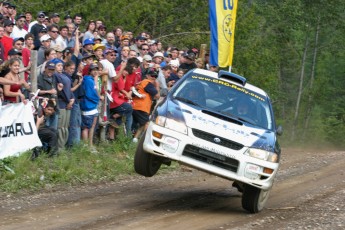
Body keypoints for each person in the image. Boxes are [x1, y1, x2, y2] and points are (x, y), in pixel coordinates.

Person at [132, 68, 160, 142]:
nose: (153, 77)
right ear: (147, 75)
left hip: (136, 105)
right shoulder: (147, 82)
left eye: (155, 76)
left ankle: (132, 138)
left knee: (135, 124)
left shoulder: (143, 82)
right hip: (141, 107)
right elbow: (157, 96)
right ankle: (140, 140)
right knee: (145, 123)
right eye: (152, 75)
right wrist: (157, 86)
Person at [80, 63, 100, 150]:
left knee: (92, 125)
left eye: (96, 70)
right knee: (86, 127)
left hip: (93, 106)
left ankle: (90, 144)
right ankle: (85, 145)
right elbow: (90, 94)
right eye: (93, 70)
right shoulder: (88, 80)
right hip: (88, 106)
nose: (95, 71)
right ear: (90, 71)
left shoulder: (92, 80)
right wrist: (98, 98)